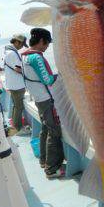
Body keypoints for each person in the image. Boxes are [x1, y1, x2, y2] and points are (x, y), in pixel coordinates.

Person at [22, 28, 65, 178]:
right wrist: (61, 75)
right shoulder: (36, 58)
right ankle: (52, 169)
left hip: (38, 99)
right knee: (54, 132)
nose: (47, 47)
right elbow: (47, 79)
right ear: (41, 41)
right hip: (46, 100)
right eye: (47, 43)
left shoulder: (25, 57)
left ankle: (43, 160)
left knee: (45, 129)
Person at [4, 34, 30, 136]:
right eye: (22, 44)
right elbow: (18, 68)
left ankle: (16, 126)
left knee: (16, 106)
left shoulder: (8, 52)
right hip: (16, 85)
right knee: (18, 107)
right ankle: (18, 128)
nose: (22, 47)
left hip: (13, 84)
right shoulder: (12, 54)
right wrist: (29, 72)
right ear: (17, 42)